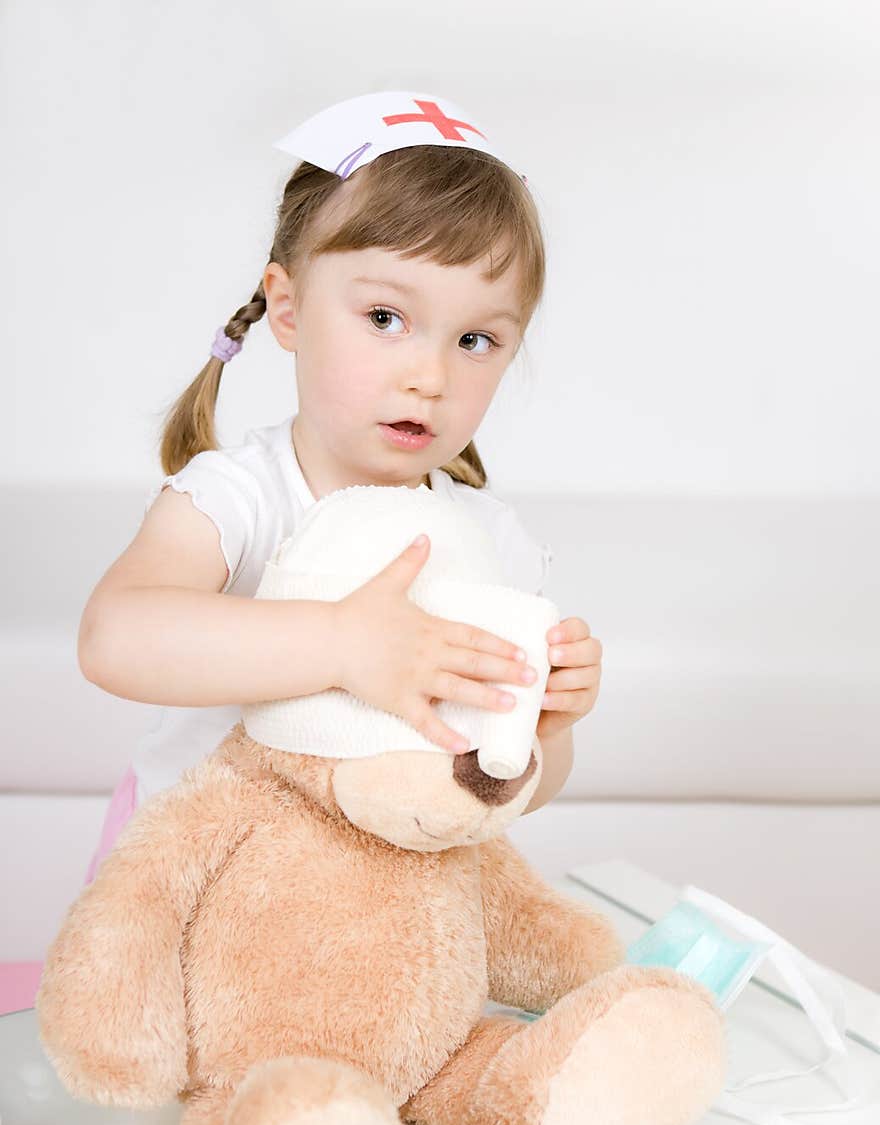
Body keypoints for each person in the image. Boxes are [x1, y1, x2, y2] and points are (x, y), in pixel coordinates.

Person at [79, 94, 603, 886]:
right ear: (287, 309)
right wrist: (341, 643)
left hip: (359, 911)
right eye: (386, 317)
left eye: (475, 340)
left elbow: (515, 791)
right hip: (192, 887)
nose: (429, 376)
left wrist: (546, 730)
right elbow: (113, 640)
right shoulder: (238, 498)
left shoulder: (489, 543)